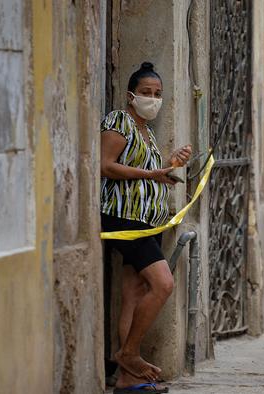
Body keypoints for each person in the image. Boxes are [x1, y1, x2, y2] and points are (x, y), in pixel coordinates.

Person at [100, 62, 192, 393]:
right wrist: (153, 175)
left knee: (133, 293)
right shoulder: (119, 121)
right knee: (162, 284)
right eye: (146, 93)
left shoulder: (147, 133)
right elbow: (106, 166)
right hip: (125, 219)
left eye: (157, 95)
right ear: (130, 95)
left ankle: (127, 380)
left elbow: (151, 174)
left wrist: (171, 164)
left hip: (146, 220)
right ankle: (129, 354)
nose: (152, 99)